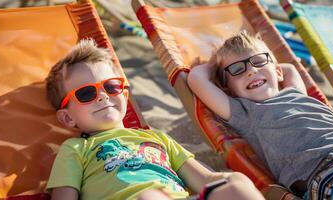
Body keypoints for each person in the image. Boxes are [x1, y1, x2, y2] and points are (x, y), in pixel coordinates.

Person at [45, 39, 264, 200]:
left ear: (124, 95)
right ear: (67, 117)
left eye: (111, 86)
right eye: (86, 94)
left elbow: (204, 179)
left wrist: (231, 184)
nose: (103, 95)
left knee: (236, 183)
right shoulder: (76, 148)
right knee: (150, 198)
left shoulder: (158, 138)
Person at [187, 31, 333, 199]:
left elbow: (290, 69)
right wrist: (214, 63)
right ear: (228, 89)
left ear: (278, 72)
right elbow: (196, 79)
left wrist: (270, 67)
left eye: (258, 61)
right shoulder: (245, 112)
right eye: (236, 69)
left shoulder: (295, 92)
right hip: (327, 173)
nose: (251, 70)